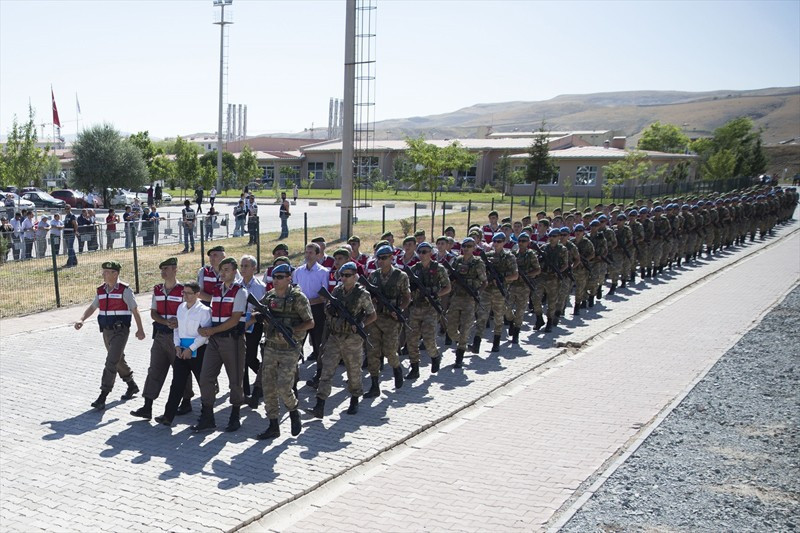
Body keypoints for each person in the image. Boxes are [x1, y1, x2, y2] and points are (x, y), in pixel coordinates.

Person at [74, 260, 145, 410]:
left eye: (107, 272)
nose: (103, 274)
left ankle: (103, 395)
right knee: (118, 359)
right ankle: (131, 384)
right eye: (103, 271)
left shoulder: (125, 290)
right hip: (106, 330)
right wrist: (82, 319)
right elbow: (93, 307)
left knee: (111, 361)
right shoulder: (101, 290)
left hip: (120, 330)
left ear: (115, 273)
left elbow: (135, 310)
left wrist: (140, 329)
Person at [130, 257, 195, 421]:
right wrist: (165, 321)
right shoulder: (157, 289)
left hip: (178, 337)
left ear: (175, 270)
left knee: (182, 371)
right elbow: (153, 312)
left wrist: (178, 322)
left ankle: (186, 401)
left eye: (166, 269)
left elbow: (190, 311)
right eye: (162, 269)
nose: (163, 272)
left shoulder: (183, 290)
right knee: (154, 369)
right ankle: (147, 406)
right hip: (160, 335)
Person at [255, 263, 314, 439]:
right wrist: (255, 318)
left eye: (280, 277)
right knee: (269, 387)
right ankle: (273, 425)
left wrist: (293, 329)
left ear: (289, 278)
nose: (276, 281)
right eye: (274, 277)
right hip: (271, 347)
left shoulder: (298, 298)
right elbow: (257, 313)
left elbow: (310, 322)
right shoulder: (270, 297)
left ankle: (294, 410)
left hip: (290, 349)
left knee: (283, 386)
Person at [310, 262, 376, 418]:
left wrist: (361, 324)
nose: (344, 278)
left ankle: (354, 399)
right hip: (334, 336)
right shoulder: (337, 291)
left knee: (353, 371)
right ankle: (320, 404)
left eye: (348, 275)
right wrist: (331, 309)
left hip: (352, 339)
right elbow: (327, 308)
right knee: (326, 370)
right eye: (342, 275)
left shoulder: (362, 294)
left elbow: (372, 315)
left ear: (355, 277)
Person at [192, 257, 247, 432]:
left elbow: (235, 319)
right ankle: (207, 415)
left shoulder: (240, 291)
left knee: (235, 379)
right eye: (221, 270)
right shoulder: (217, 290)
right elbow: (212, 314)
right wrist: (205, 329)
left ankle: (235, 415)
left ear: (234, 272)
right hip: (214, 340)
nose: (222, 273)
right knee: (206, 377)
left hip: (232, 340)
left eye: (227, 270)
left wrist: (211, 331)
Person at [154, 281, 212, 426]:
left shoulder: (204, 311)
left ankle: (207, 417)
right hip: (181, 351)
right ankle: (168, 416)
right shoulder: (181, 308)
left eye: (188, 293)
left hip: (198, 351)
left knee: (203, 384)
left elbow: (204, 335)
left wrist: (190, 349)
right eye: (183, 292)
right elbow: (176, 329)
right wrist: (177, 346)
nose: (184, 295)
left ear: (197, 294)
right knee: (177, 384)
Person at [363, 245, 411, 398]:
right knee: (373, 353)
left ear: (391, 258)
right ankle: (374, 385)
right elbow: (367, 296)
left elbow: (407, 297)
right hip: (376, 318)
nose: (381, 261)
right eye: (379, 258)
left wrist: (400, 310)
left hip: (391, 320)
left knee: (390, 351)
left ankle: (397, 368)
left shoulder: (400, 276)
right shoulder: (374, 276)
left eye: (384, 258)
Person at [404, 242, 451, 378]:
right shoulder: (413, 270)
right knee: (412, 339)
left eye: (425, 251)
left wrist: (435, 295)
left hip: (430, 308)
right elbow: (407, 289)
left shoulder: (438, 268)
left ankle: (435, 356)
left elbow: (447, 287)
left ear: (431, 253)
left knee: (429, 338)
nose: (422, 254)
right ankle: (414, 368)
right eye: (420, 252)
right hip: (416, 308)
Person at [445, 237, 487, 368]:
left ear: (474, 248)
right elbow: (448, 278)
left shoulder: (477, 263)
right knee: (451, 329)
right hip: (457, 297)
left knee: (465, 328)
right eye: (464, 246)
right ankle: (462, 343)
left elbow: (484, 281)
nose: (466, 248)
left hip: (469, 299)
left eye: (469, 246)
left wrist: (477, 293)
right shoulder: (457, 261)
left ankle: (460, 354)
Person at [473, 232, 517, 353]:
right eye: (495, 241)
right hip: (487, 291)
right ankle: (476, 344)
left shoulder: (509, 257)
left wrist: (503, 279)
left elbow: (515, 275)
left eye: (499, 242)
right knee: (482, 316)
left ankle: (496, 342)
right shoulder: (487, 256)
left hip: (500, 291)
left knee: (498, 317)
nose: (496, 244)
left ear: (503, 242)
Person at [293, 243, 330, 362]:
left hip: (317, 309)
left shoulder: (323, 272)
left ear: (318, 255)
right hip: (300, 310)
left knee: (318, 340)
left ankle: (319, 371)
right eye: (306, 252)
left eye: (311, 253)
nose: (308, 255)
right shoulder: (299, 271)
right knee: (296, 341)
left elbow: (324, 296)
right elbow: (295, 290)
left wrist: (309, 301)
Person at [239, 255, 266, 407]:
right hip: (240, 324)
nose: (243, 269)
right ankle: (245, 392)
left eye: (246, 266)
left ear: (254, 268)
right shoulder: (237, 284)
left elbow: (262, 308)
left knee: (250, 357)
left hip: (254, 325)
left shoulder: (260, 286)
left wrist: (252, 319)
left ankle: (263, 380)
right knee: (241, 358)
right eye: (241, 266)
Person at [509, 232, 539, 344]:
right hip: (512, 286)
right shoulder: (513, 254)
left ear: (528, 243)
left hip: (524, 286)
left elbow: (537, 270)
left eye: (524, 241)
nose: (521, 243)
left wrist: (526, 274)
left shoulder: (531, 255)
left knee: (520, 311)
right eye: (520, 241)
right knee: (507, 308)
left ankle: (516, 333)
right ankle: (511, 321)